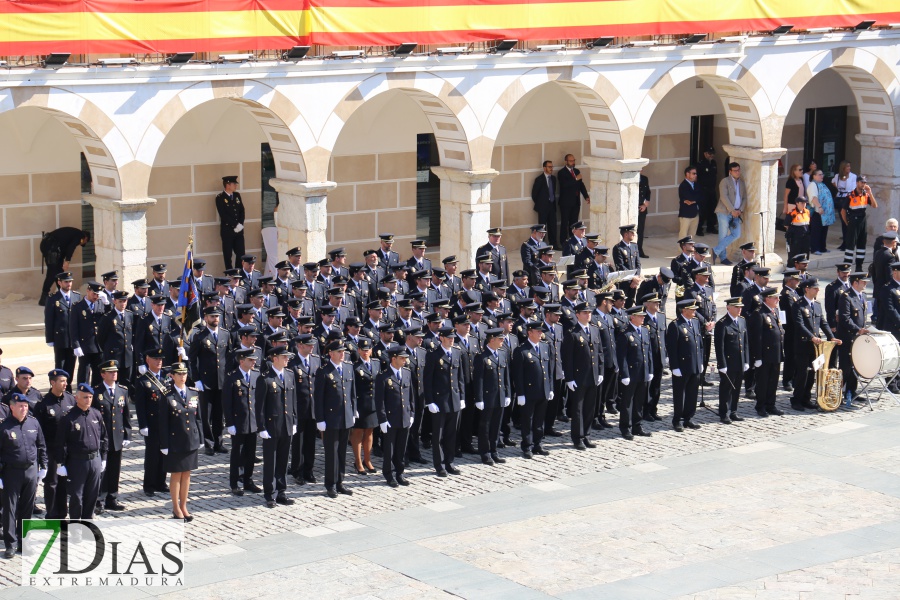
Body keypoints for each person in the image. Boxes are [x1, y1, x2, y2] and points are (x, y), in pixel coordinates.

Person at [0, 392, 47, 558]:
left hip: (31, 471)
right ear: (12, 407)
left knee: (27, 509)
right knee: (10, 509)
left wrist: (44, 466)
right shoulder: (4, 427)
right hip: (11, 472)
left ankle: (23, 542)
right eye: (20, 406)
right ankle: (10, 544)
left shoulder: (33, 423)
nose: (23, 409)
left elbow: (41, 445)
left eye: (26, 406)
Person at [55, 383, 106, 522]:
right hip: (77, 462)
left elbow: (104, 437)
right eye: (85, 397)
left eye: (90, 397)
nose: (88, 400)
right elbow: (60, 443)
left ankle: (87, 524)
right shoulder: (68, 418)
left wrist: (104, 458)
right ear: (77, 398)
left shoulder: (96, 414)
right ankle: (76, 525)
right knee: (76, 497)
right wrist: (60, 464)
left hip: (94, 460)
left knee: (92, 495)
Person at [159, 362, 201, 521]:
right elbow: (163, 422)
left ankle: (184, 505)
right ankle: (176, 508)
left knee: (187, 474)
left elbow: (199, 419)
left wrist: (201, 438)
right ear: (172, 376)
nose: (183, 377)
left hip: (191, 439)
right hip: (175, 440)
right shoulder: (167, 395)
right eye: (179, 374)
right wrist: (164, 444)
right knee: (176, 474)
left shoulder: (193, 393)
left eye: (184, 374)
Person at [256, 347, 298, 507]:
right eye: (284, 357)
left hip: (287, 424)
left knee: (283, 461)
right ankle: (270, 494)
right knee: (271, 462)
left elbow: (293, 401)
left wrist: (294, 421)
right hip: (271, 426)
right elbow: (259, 406)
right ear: (275, 358)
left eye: (287, 357)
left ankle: (281, 491)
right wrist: (262, 428)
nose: (287, 359)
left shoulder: (289, 374)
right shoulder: (265, 378)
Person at [790, 278, 839, 414]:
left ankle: (806, 398)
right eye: (815, 288)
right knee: (802, 373)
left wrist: (831, 337)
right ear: (807, 289)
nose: (818, 290)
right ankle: (797, 399)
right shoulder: (798, 305)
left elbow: (823, 322)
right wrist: (812, 337)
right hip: (803, 345)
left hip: (816, 347)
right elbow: (799, 324)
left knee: (813, 372)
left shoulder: (816, 305)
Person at [314, 340, 356, 498]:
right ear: (331, 354)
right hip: (331, 418)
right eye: (339, 351)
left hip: (346, 416)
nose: (342, 353)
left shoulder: (348, 367)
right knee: (331, 452)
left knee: (343, 452)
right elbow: (319, 398)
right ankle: (330, 484)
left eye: (343, 351)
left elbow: (352, 392)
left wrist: (353, 410)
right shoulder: (323, 371)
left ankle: (340, 482)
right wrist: (320, 419)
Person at [188, 306, 231, 455]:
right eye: (212, 317)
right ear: (206, 318)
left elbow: (229, 357)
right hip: (205, 381)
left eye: (217, 317)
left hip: (221, 380)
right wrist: (196, 379)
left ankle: (219, 442)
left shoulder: (225, 334)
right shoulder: (199, 336)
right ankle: (208, 443)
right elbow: (192, 360)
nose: (215, 319)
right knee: (206, 415)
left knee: (220, 414)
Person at [424, 327, 464, 477]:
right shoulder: (433, 356)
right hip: (439, 401)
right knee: (438, 436)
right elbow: (427, 381)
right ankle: (439, 465)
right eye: (448, 337)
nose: (451, 340)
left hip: (454, 400)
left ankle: (449, 462)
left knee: (451, 434)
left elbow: (460, 378)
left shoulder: (456, 352)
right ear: (441, 338)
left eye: (453, 337)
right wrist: (430, 401)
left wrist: (462, 397)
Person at [35, 369, 76, 519]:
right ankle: (51, 514)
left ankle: (62, 512)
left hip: (67, 449)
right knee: (51, 483)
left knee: (64, 482)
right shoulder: (43, 404)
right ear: (53, 383)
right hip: (51, 449)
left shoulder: (70, 400)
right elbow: (39, 432)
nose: (65, 384)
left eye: (66, 381)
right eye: (62, 381)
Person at [222, 348, 261, 496]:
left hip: (252, 421)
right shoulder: (232, 378)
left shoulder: (256, 375)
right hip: (238, 422)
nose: (254, 362)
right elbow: (227, 403)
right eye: (250, 360)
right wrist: (230, 423)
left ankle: (248, 480)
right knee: (237, 454)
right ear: (242, 361)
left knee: (250, 454)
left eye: (254, 360)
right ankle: (234, 483)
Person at [93, 360, 131, 513]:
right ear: (103, 374)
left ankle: (112, 498)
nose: (114, 373)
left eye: (115, 371)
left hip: (117, 436)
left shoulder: (122, 390)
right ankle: (99, 500)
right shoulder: (97, 392)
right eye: (110, 371)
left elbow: (126, 414)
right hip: (103, 437)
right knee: (102, 469)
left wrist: (127, 434)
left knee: (115, 468)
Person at [374, 345, 414, 487]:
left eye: (405, 358)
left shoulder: (407, 373)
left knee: (401, 448)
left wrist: (412, 413)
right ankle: (389, 474)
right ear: (394, 359)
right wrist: (382, 420)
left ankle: (399, 473)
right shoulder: (383, 376)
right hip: (390, 419)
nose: (405, 360)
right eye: (402, 358)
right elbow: (380, 401)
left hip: (404, 416)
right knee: (389, 449)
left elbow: (411, 396)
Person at [133, 348, 169, 496]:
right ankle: (149, 485)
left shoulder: (167, 377)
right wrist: (143, 424)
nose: (159, 362)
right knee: (152, 455)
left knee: (164, 454)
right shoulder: (142, 381)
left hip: (165, 422)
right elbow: (140, 406)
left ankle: (161, 482)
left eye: (160, 359)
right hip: (152, 423)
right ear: (148, 360)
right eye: (155, 359)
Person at [666, 299, 704, 432]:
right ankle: (677, 420)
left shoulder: (695, 322)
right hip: (681, 366)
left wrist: (700, 361)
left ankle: (688, 418)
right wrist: (674, 366)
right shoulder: (675, 325)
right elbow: (672, 348)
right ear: (684, 310)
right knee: (680, 394)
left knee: (692, 393)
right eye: (692, 309)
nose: (694, 311)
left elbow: (700, 344)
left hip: (694, 364)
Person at [616, 306, 653, 439]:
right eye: (640, 316)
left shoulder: (644, 330)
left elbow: (648, 353)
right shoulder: (625, 333)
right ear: (632, 317)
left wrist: (650, 370)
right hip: (631, 373)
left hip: (643, 371)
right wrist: (624, 374)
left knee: (639, 401)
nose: (643, 318)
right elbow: (622, 357)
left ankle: (637, 425)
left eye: (643, 316)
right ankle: (626, 427)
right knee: (627, 402)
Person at [714, 297, 750, 424]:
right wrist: (722, 364)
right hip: (728, 363)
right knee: (726, 388)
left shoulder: (742, 320)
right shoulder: (722, 324)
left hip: (739, 361)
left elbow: (745, 342)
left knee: (737, 387)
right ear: (728, 307)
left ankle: (733, 411)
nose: (739, 309)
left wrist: (746, 360)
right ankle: (724, 412)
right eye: (736, 307)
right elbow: (720, 347)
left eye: (740, 307)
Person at [750, 288, 785, 416]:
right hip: (764, 355)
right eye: (775, 298)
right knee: (763, 382)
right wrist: (757, 357)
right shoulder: (759, 313)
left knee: (773, 381)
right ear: (767, 299)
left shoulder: (774, 310)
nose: (778, 300)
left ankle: (771, 405)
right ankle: (761, 406)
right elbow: (756, 337)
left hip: (775, 353)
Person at [838, 272, 870, 407]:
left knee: (855, 365)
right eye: (863, 282)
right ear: (855, 283)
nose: (866, 284)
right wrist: (857, 329)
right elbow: (845, 318)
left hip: (858, 337)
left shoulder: (863, 296)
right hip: (848, 337)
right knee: (845, 366)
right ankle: (838, 392)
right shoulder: (846, 296)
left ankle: (851, 391)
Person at [44, 271, 81, 388]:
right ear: (59, 283)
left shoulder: (77, 296)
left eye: (70, 281)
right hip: (60, 338)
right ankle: (58, 387)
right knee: (60, 364)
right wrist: (49, 338)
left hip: (73, 338)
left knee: (71, 364)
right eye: (66, 282)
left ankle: (68, 387)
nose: (69, 284)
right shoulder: (53, 298)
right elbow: (49, 320)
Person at [38, 227, 90, 306]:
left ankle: (63, 295)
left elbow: (64, 248)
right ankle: (44, 298)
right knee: (52, 273)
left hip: (51, 247)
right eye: (84, 242)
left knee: (59, 273)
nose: (81, 243)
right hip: (51, 248)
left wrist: (63, 260)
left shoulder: (73, 234)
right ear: (85, 238)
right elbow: (71, 247)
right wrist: (67, 261)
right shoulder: (80, 235)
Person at [350, 338, 379, 475]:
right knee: (358, 432)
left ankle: (368, 460)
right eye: (363, 350)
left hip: (373, 403)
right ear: (359, 350)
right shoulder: (354, 367)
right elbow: (352, 388)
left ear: (371, 350)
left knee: (369, 432)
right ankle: (358, 461)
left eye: (368, 350)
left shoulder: (376, 363)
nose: (365, 352)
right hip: (360, 404)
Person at [70, 281, 106, 387]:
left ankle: (96, 396)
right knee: (84, 372)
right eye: (94, 293)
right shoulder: (78, 307)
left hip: (99, 346)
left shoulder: (100, 304)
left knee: (98, 373)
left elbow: (108, 318)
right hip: (85, 345)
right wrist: (76, 345)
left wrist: (107, 304)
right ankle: (82, 393)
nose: (96, 296)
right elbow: (73, 328)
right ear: (88, 291)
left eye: (98, 294)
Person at [841, 175, 878, 271]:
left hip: (863, 220)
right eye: (862, 182)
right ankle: (847, 266)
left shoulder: (866, 194)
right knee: (850, 245)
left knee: (861, 244)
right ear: (857, 183)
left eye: (865, 183)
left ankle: (859, 266)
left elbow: (875, 205)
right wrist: (847, 223)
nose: (863, 184)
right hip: (853, 221)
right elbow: (843, 211)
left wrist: (870, 192)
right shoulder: (850, 195)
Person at [714, 162, 747, 265]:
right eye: (735, 171)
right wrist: (732, 210)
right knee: (723, 235)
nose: (738, 172)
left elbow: (744, 198)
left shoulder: (741, 183)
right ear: (730, 171)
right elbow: (724, 197)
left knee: (736, 234)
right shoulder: (725, 181)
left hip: (737, 213)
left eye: (738, 170)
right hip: (724, 212)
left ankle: (715, 251)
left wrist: (740, 210)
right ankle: (723, 258)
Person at [642, 293, 667, 421]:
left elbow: (665, 337)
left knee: (657, 386)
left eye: (658, 302)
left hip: (660, 357)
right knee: (647, 387)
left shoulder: (661, 317)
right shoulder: (643, 319)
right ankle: (645, 411)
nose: (658, 304)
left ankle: (653, 409)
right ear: (647, 304)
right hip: (648, 358)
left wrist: (666, 355)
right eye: (654, 302)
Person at [557, 154, 590, 244]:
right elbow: (565, 185)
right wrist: (575, 178)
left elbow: (581, 185)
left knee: (574, 223)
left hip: (575, 202)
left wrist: (586, 196)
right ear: (566, 162)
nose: (573, 163)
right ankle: (563, 242)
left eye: (574, 160)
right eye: (571, 161)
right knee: (565, 223)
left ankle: (573, 242)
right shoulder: (561, 173)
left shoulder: (576, 171)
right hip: (565, 202)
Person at [216, 175, 245, 270]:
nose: (236, 186)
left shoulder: (237, 195)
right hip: (227, 231)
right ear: (228, 185)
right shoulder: (220, 198)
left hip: (239, 230)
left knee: (241, 253)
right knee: (228, 255)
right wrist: (235, 224)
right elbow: (223, 215)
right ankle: (229, 273)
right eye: (234, 184)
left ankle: (238, 272)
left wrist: (240, 224)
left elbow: (242, 210)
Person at [806, 169, 835, 255]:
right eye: (819, 174)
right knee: (816, 231)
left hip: (825, 214)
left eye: (822, 174)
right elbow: (813, 197)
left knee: (824, 230)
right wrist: (819, 207)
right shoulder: (813, 185)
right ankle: (815, 248)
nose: (822, 176)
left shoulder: (822, 184)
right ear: (814, 176)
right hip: (817, 212)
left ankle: (822, 247)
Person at [613, 224, 642, 308]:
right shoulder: (618, 248)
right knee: (622, 304)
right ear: (626, 234)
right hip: (624, 282)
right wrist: (633, 278)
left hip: (634, 282)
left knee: (630, 302)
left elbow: (638, 264)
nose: (634, 234)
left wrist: (637, 278)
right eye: (632, 233)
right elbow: (620, 266)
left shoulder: (634, 246)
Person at [531, 162, 559, 249]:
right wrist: (541, 203)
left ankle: (553, 244)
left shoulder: (553, 179)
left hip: (551, 206)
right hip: (542, 207)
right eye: (549, 167)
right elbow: (534, 194)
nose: (551, 168)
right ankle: (542, 245)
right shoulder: (539, 179)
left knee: (553, 226)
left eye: (552, 167)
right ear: (544, 168)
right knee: (542, 227)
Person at [832, 161, 857, 253]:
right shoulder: (838, 176)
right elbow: (833, 182)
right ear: (843, 168)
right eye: (847, 167)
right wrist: (839, 189)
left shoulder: (853, 176)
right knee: (843, 221)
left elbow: (853, 188)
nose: (849, 168)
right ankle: (844, 242)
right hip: (840, 198)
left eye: (849, 166)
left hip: (848, 199)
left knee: (847, 221)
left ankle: (849, 242)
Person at [696, 146, 719, 235]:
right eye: (710, 154)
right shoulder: (700, 164)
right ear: (705, 154)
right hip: (703, 190)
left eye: (713, 154)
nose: (711, 155)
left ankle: (711, 227)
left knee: (712, 209)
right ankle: (699, 229)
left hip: (712, 190)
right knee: (703, 210)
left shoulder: (713, 163)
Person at [678, 166, 703, 239]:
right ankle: (681, 250)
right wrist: (695, 199)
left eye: (696, 174)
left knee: (692, 235)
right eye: (693, 173)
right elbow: (690, 197)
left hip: (696, 213)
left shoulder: (697, 185)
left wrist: (694, 201)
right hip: (686, 214)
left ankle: (689, 250)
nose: (696, 175)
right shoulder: (683, 185)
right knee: (683, 235)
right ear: (687, 174)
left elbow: (702, 196)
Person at [785, 198, 811, 267]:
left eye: (805, 203)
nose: (804, 204)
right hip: (795, 238)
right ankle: (791, 268)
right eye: (802, 203)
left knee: (805, 253)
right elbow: (786, 225)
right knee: (794, 253)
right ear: (797, 203)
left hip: (805, 237)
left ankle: (803, 269)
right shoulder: (792, 213)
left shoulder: (807, 212)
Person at [637, 169, 651, 258]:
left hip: (642, 208)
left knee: (640, 231)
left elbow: (647, 192)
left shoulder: (644, 179)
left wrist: (645, 204)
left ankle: (639, 250)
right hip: (633, 207)